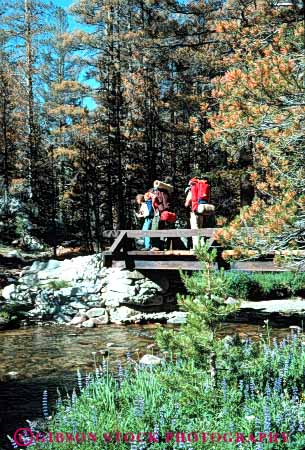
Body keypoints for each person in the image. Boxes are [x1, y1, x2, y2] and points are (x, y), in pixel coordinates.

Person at [185, 176, 211, 249]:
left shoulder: (192, 189)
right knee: (201, 229)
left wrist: (186, 206)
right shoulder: (202, 188)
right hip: (201, 211)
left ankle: (196, 248)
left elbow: (187, 203)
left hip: (194, 211)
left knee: (195, 229)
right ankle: (203, 247)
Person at [149, 178, 173, 251]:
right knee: (164, 229)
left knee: (155, 228)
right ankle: (164, 246)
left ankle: (156, 246)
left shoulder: (155, 191)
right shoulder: (167, 190)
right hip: (166, 211)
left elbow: (154, 200)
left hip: (159, 212)